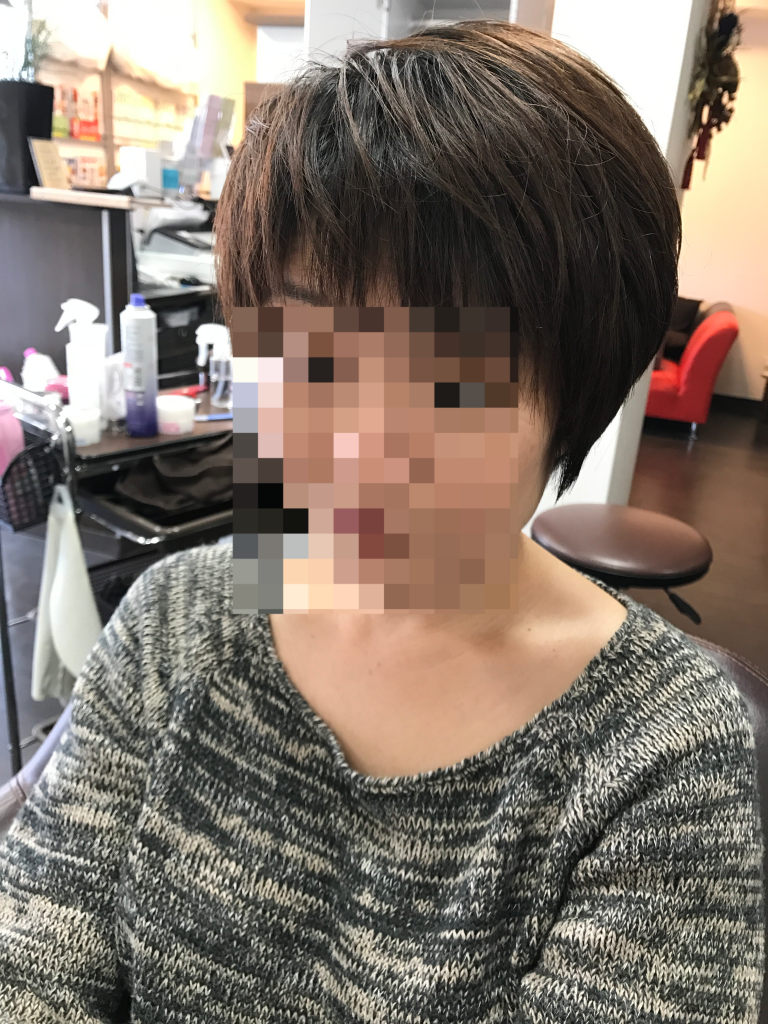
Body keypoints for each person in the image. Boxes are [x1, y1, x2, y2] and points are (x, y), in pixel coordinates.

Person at [0, 19, 763, 1024]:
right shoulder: (175, 621)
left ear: (574, 392)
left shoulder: (661, 756)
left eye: (447, 384)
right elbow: (34, 957)